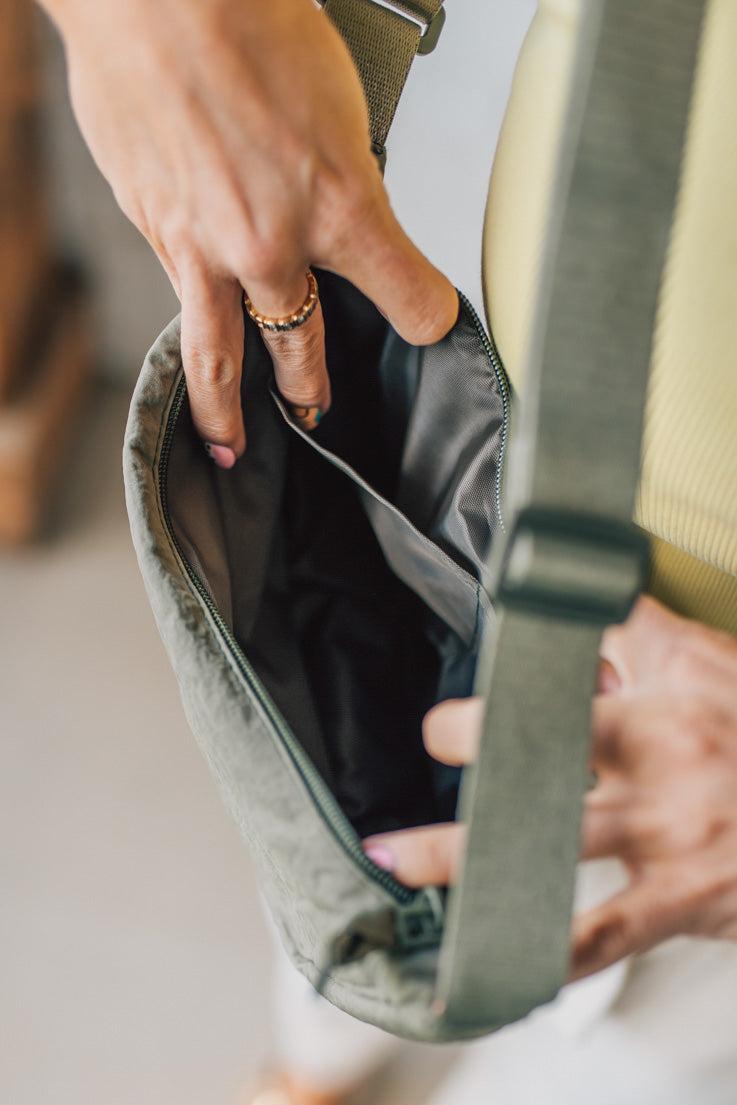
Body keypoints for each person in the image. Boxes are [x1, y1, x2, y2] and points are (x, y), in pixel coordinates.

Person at [39, 0, 737, 1102]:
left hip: (708, 850)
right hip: (515, 425)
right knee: (348, 818)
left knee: (626, 1055)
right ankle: (316, 1060)